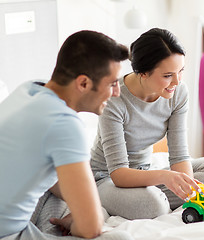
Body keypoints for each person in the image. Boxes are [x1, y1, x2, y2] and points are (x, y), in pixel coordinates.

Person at [90, 28, 204, 220]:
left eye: (180, 71)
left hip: (146, 174)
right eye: (168, 75)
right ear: (143, 73)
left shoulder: (178, 93)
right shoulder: (114, 99)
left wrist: (191, 192)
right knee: (153, 205)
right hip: (108, 178)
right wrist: (164, 177)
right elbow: (118, 173)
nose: (176, 82)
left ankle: (154, 197)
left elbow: (179, 156)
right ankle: (137, 199)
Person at [0, 30, 133, 240]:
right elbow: (91, 229)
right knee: (119, 238)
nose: (117, 92)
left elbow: (41, 173)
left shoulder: (30, 89)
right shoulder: (64, 124)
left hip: (14, 217)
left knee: (64, 198)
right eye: (112, 83)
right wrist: (86, 220)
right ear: (83, 83)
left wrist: (84, 211)